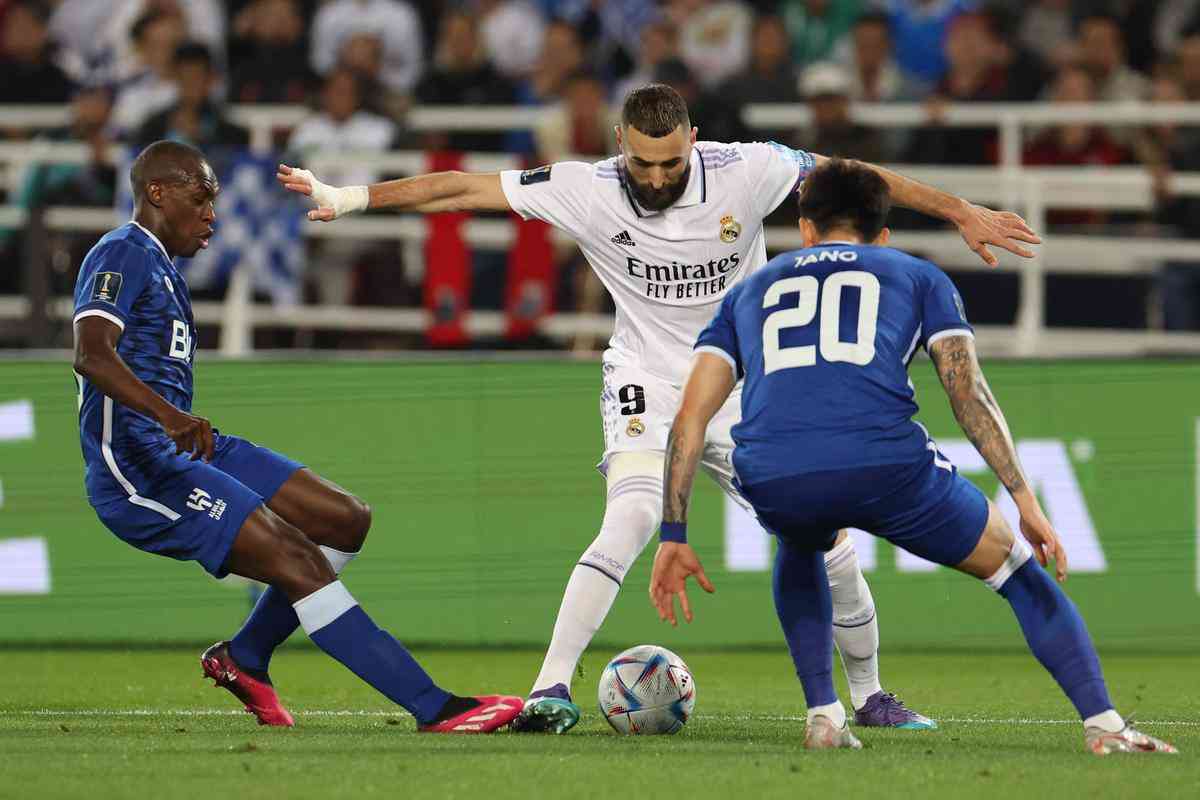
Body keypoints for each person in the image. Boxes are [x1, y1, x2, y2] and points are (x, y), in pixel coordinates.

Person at [277, 82, 1039, 735]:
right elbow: (461, 187)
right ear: (620, 145)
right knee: (632, 518)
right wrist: (349, 198)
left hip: (745, 384)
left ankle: (870, 696)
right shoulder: (587, 186)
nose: (658, 175)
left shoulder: (748, 170)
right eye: (643, 162)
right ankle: (549, 687)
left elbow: (852, 176)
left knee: (828, 540)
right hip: (646, 378)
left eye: (673, 160)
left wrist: (958, 208)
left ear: (694, 142)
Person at [647, 158, 1178, 756]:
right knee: (1015, 569)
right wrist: (1024, 498)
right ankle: (1105, 727)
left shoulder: (747, 292)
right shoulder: (916, 275)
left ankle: (824, 716)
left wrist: (674, 531)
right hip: (885, 466)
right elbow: (966, 393)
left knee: (800, 540)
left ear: (805, 229)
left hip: (774, 470)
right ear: (882, 236)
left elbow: (690, 419)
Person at [72, 140, 522, 734]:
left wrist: (175, 422)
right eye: (200, 197)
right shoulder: (123, 251)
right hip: (135, 467)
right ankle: (436, 708)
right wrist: (169, 417)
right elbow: (91, 355)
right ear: (157, 192)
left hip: (180, 444)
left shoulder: (167, 270)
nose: (212, 213)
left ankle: (246, 657)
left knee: (343, 519)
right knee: (297, 558)